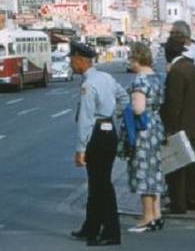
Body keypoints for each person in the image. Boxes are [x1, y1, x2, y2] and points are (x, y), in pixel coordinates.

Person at [69, 40, 128, 247]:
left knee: (101, 185)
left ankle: (112, 232)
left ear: (81, 60)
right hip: (108, 132)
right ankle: (91, 227)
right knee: (97, 183)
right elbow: (124, 98)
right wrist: (112, 116)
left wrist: (80, 149)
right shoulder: (106, 77)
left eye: (72, 59)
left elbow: (85, 121)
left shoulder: (88, 85)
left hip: (96, 136)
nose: (70, 63)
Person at [118, 42, 166, 233]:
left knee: (143, 171)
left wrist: (125, 109)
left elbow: (138, 108)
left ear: (137, 59)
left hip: (143, 129)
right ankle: (157, 214)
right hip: (156, 127)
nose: (129, 61)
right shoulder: (157, 78)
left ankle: (146, 217)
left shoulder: (140, 81)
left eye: (130, 57)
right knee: (155, 171)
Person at [160, 33, 195, 214]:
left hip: (180, 125)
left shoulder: (176, 72)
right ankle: (193, 199)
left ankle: (178, 203)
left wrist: (168, 128)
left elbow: (174, 103)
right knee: (193, 163)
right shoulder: (193, 68)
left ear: (169, 53)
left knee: (177, 166)